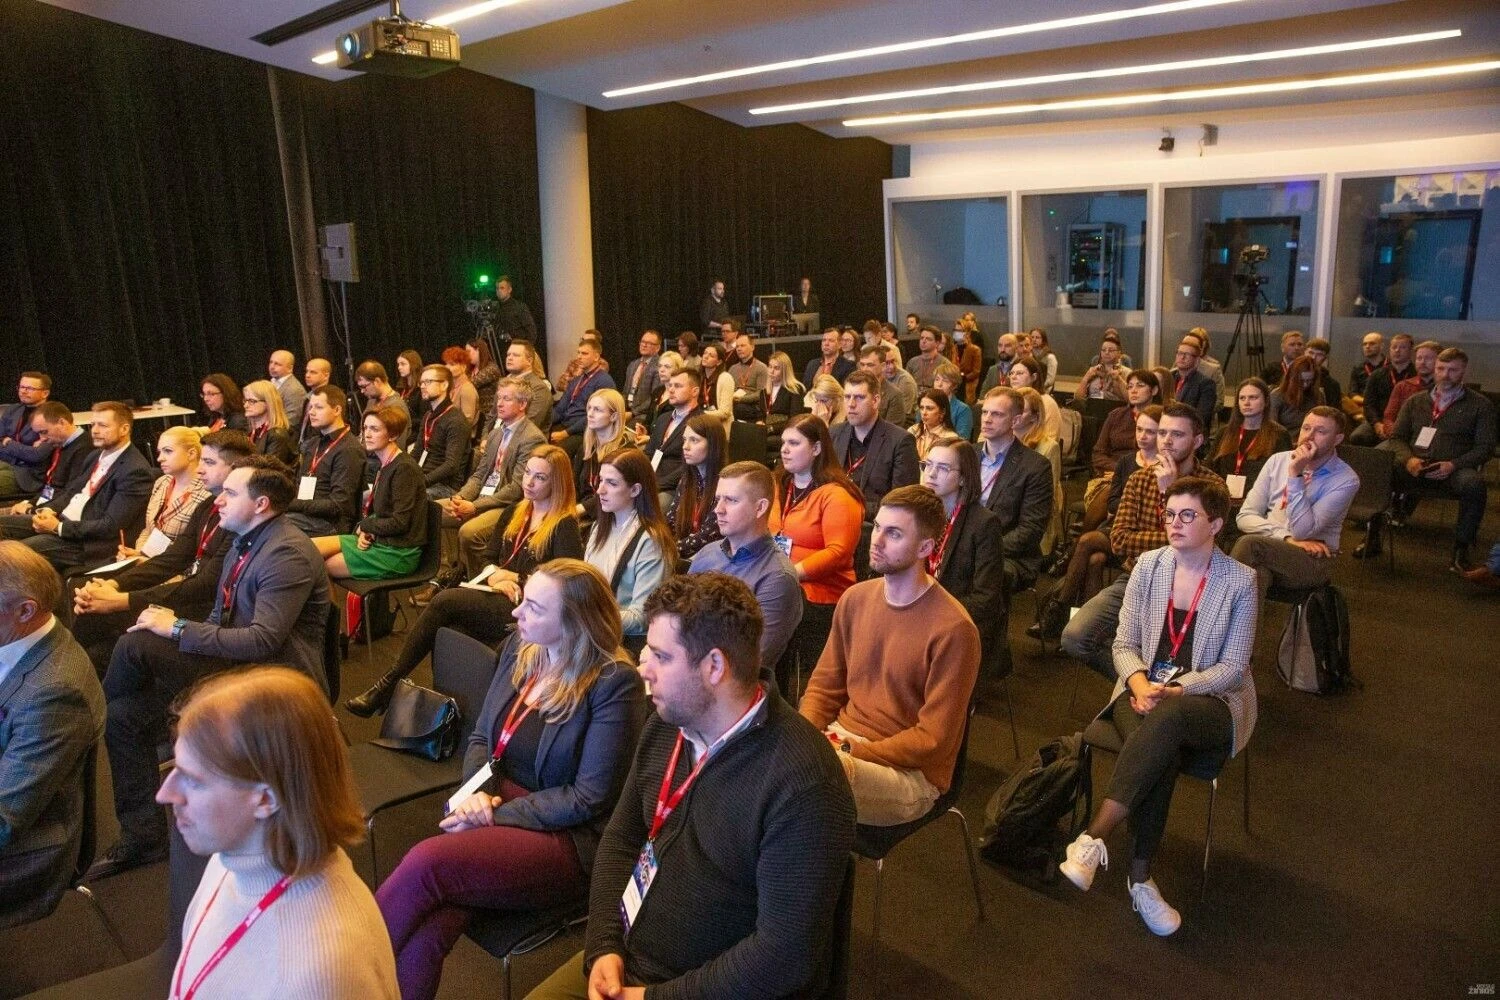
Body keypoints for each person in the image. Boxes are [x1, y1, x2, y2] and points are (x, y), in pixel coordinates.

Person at [526, 573, 854, 1000]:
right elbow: (622, 838)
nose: (643, 668)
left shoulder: (803, 784)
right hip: (628, 958)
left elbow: (782, 956)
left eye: (661, 656)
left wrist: (650, 997)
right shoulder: (667, 724)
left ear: (714, 666)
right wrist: (603, 945)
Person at [378, 560, 645, 1000]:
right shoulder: (522, 648)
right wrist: (479, 796)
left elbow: (588, 798)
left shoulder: (614, 683)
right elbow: (481, 737)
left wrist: (495, 814)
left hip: (564, 835)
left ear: (575, 622)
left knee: (426, 865)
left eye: (535, 607)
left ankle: (339, 976)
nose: (518, 611)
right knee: (432, 923)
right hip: (493, 806)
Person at [93, 455, 331, 878]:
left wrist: (177, 628)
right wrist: (175, 627)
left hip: (272, 677)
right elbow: (222, 618)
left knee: (135, 645)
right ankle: (143, 836)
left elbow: (262, 641)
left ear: (261, 504)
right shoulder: (245, 540)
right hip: (234, 664)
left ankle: (84, 733)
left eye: (230, 493)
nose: (217, 499)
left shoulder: (286, 552)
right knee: (123, 716)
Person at [1060, 477, 1256, 937]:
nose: (1174, 523)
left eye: (1188, 515)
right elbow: (1123, 644)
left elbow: (1233, 668)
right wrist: (1138, 681)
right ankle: (1141, 879)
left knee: (1168, 720)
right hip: (1141, 688)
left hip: (1209, 700)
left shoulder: (1240, 581)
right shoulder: (1149, 566)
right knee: (1160, 750)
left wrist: (1177, 689)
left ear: (1216, 524)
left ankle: (1094, 837)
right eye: (1169, 514)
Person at [159, 667, 399, 997]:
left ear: (266, 799)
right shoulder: (231, 859)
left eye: (194, 780)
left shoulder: (319, 977)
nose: (165, 794)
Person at [347, 447, 583, 716]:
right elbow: (488, 558)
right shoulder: (515, 512)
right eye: (528, 473)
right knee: (446, 626)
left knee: (444, 602)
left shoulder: (563, 526)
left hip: (528, 607)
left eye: (540, 477)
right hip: (496, 593)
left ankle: (388, 685)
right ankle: (443, 707)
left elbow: (566, 583)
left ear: (557, 483)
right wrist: (495, 576)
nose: (529, 482)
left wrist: (517, 578)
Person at [799, 484, 980, 825]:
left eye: (894, 534)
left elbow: (933, 741)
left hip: (910, 774)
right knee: (766, 755)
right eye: (878, 527)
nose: (877, 540)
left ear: (925, 547)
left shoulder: (955, 629)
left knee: (808, 782)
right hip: (839, 744)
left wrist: (851, 750)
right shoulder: (855, 599)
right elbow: (823, 687)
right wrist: (804, 738)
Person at [1060, 403, 1225, 679]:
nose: (1166, 441)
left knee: (1187, 656)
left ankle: (1161, 686)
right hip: (1138, 577)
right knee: (1075, 637)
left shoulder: (1212, 486)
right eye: (1162, 433)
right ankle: (1145, 682)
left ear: (1197, 441)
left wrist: (1169, 493)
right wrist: (1174, 539)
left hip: (1190, 586)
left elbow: (1201, 547)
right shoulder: (1139, 479)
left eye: (1177, 434)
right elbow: (1120, 541)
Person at [70, 430, 250, 678]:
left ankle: (74, 681)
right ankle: (72, 677)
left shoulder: (239, 517)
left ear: (237, 468)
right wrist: (114, 584)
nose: (199, 470)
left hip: (206, 610)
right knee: (90, 606)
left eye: (209, 462)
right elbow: (172, 558)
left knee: (105, 623)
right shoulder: (208, 505)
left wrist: (123, 600)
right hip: (188, 593)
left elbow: (206, 585)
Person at [0, 541, 106, 929]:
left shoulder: (56, 692)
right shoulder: (17, 640)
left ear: (25, 611)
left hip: (24, 855)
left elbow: (4, 819)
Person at [1031, 406, 1163, 642]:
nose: (1142, 436)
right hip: (1117, 529)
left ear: (1162, 434)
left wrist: (1129, 505)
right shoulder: (1126, 462)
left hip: (1142, 539)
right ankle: (1084, 627)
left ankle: (1058, 609)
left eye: (1150, 432)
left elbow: (1135, 508)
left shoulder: (1165, 469)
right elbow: (1113, 502)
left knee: (1086, 541)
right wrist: (1131, 505)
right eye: (1139, 429)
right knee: (1095, 560)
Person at [1377, 347, 1496, 570]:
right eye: (1441, 368)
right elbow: (1397, 438)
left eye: (1453, 370)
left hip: (1454, 468)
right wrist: (1408, 460)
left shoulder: (1481, 405)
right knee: (1379, 468)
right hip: (1415, 464)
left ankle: (1461, 548)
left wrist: (1453, 464)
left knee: (1474, 485)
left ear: (1464, 372)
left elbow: (1485, 448)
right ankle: (1373, 536)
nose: (1445, 375)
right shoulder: (1415, 401)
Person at [0, 401, 155, 572]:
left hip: (85, 543)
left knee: (10, 554)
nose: (94, 430)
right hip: (63, 521)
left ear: (124, 429)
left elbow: (110, 526)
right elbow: (71, 492)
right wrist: (48, 510)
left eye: (102, 425)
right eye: (93, 424)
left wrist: (57, 527)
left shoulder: (135, 471)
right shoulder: (95, 456)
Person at [770, 414, 864, 684]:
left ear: (817, 448)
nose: (785, 449)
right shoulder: (779, 485)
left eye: (794, 443)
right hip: (780, 580)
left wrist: (790, 573)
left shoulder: (838, 495)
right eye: (783, 442)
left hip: (820, 591)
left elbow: (838, 553)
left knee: (778, 603)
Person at [1231, 407, 1359, 604]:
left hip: (1313, 559)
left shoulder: (1346, 479)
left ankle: (1209, 617)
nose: (1309, 436)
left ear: (1337, 439)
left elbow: (1302, 531)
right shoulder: (1277, 461)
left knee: (1249, 544)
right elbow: (1245, 516)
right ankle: (1233, 626)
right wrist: (1286, 537)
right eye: (1306, 428)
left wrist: (1295, 475)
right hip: (1271, 548)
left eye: (1320, 431)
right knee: (1257, 576)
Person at [689, 463, 803, 678]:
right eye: (718, 499)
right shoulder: (707, 554)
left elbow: (750, 662)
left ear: (760, 508)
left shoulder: (778, 577)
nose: (718, 509)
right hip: (690, 669)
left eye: (731, 500)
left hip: (727, 685)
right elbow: (680, 619)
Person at [920, 441, 1008, 676]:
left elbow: (985, 598)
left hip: (957, 620)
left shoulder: (983, 524)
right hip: (918, 611)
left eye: (943, 468)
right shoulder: (919, 514)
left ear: (962, 478)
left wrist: (931, 612)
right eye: (928, 465)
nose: (931, 474)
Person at [311, 407, 427, 585]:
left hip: (398, 551)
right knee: (310, 548)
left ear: (393, 435)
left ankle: (338, 607)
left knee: (325, 566)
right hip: (382, 539)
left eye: (375, 429)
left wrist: (366, 526)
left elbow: (400, 522)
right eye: (365, 428)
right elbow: (382, 513)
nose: (367, 434)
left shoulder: (404, 468)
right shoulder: (387, 464)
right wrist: (367, 530)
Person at [585, 449, 674, 647]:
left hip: (622, 644)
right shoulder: (599, 527)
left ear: (635, 490)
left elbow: (641, 617)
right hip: (593, 635)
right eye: (601, 480)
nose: (600, 490)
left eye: (612, 483)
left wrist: (588, 617)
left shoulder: (651, 541)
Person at [974, 387, 1054, 592]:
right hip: (966, 545)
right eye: (985, 412)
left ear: (1015, 420)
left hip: (1009, 554)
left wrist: (983, 549)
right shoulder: (967, 455)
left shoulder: (1035, 466)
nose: (987, 419)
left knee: (975, 574)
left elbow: (1030, 530)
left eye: (997, 414)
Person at [831, 370, 919, 524]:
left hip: (874, 526)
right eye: (847, 397)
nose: (851, 404)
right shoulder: (834, 433)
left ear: (876, 401)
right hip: (833, 520)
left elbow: (902, 503)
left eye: (859, 397)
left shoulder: (900, 441)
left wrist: (849, 508)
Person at [118, 426, 211, 561]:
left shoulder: (207, 494)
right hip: (150, 562)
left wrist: (147, 562)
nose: (160, 458)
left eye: (168, 451)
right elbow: (148, 530)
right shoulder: (162, 482)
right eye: (159, 452)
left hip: (177, 567)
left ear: (191, 454)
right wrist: (138, 554)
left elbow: (194, 552)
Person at [285, 385, 365, 538]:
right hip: (305, 515)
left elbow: (338, 505)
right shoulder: (312, 444)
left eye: (319, 407)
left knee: (272, 525)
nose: (311, 412)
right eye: (311, 407)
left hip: (331, 523)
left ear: (337, 410)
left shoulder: (349, 449)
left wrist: (293, 504)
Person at [1209, 378, 1290, 503]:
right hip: (1222, 500)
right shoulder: (1225, 432)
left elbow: (1283, 476)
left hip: (1259, 502)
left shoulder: (1279, 435)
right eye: (1242, 398)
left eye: (1253, 398)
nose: (1246, 403)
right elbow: (1210, 467)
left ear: (1266, 401)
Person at [4, 401, 93, 509]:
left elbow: (71, 493)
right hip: (45, 503)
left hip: (55, 512)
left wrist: (32, 509)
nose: (42, 439)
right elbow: (52, 487)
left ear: (62, 423)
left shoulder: (84, 448)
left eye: (44, 432)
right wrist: (29, 503)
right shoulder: (60, 445)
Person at [666, 414, 724, 562]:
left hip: (710, 559)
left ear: (713, 444)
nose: (685, 446)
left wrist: (668, 549)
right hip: (681, 553)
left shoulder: (725, 485)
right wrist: (660, 542)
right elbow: (670, 522)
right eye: (684, 439)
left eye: (694, 440)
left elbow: (707, 537)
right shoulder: (687, 480)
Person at [574, 388, 637, 527]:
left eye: (597, 410)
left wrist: (579, 509)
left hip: (611, 516)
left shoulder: (626, 453)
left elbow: (617, 496)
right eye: (589, 408)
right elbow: (574, 485)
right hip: (582, 512)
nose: (590, 414)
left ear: (613, 416)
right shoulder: (586, 448)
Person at [410, 365, 471, 499]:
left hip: (445, 486)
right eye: (421, 382)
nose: (422, 386)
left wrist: (421, 482)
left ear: (444, 385)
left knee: (407, 497)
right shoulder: (428, 416)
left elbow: (451, 466)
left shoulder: (456, 421)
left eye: (428, 382)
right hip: (424, 479)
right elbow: (417, 452)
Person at [642, 369, 703, 500]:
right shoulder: (663, 418)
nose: (671, 390)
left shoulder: (701, 423)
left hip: (675, 488)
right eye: (670, 385)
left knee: (657, 503)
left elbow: (689, 467)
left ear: (695, 391)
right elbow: (649, 452)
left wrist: (655, 485)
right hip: (651, 480)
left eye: (678, 386)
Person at [1091, 370, 1161, 479]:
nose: (1133, 391)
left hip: (1146, 475)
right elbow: (1098, 453)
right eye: (1130, 386)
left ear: (1154, 390)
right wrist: (1119, 470)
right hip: (1112, 471)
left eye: (1140, 385)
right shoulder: (1116, 415)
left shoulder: (1162, 418)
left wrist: (1127, 473)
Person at [552, 336, 617, 452]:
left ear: (596, 357)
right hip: (565, 424)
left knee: (555, 453)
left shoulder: (604, 381)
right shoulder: (577, 380)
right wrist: (544, 425)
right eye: (578, 353)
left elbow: (595, 416)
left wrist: (566, 433)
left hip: (585, 431)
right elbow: (560, 409)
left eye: (584, 353)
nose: (579, 357)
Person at [0, 372, 55, 501]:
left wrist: (9, 443)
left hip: (27, 474)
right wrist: (22, 448)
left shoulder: (51, 416)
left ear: (45, 393)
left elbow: (37, 455)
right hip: (5, 462)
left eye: (30, 388)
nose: (23, 391)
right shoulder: (12, 410)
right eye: (21, 387)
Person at [1354, 333, 1414, 444]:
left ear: (1411, 350)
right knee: (1358, 436)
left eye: (1402, 347)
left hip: (1406, 423)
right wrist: (1377, 424)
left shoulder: (1416, 375)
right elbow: (1369, 404)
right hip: (1379, 419)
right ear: (1389, 350)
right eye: (1394, 347)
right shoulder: (1377, 374)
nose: (1397, 350)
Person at [1381, 339, 1439, 432]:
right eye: (1419, 358)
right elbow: (1388, 418)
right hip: (1403, 435)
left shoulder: (1446, 389)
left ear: (1439, 362)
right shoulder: (1402, 386)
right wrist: (1397, 435)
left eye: (1428, 358)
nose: (1422, 362)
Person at [240, 379, 299, 468]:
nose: (246, 405)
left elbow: (270, 472)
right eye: (245, 400)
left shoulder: (277, 436)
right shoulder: (251, 432)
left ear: (268, 402)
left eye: (252, 401)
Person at [1167, 338, 1218, 436]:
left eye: (1187, 354)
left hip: (1190, 434)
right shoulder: (1169, 377)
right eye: (1179, 353)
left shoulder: (1206, 384)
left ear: (1197, 360)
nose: (1182, 357)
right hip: (1167, 429)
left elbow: (1202, 417)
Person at [356, 361, 410, 446]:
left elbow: (397, 445)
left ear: (377, 381)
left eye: (364, 386)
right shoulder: (371, 401)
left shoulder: (397, 406)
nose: (362, 391)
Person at [1007, 357, 1061, 441]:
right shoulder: (1007, 400)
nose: (1013, 377)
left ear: (1034, 377)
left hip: (1035, 447)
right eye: (1011, 373)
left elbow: (1050, 440)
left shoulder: (1047, 402)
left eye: (1019, 373)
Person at [1269, 355, 1325, 435]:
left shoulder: (1318, 395)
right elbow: (1271, 429)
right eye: (1301, 381)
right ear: (1292, 378)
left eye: (1309, 381)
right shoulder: (1277, 396)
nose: (1305, 385)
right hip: (1286, 439)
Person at [623, 330, 665, 429]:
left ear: (658, 348)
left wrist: (633, 413)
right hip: (627, 410)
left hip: (644, 414)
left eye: (649, 343)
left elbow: (654, 399)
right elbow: (625, 391)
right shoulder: (633, 364)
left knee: (626, 432)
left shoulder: (660, 367)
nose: (644, 345)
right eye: (642, 341)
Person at [1075, 335, 1131, 402]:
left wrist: (1119, 379)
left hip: (1115, 407)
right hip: (1093, 407)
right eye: (1103, 350)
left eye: (1111, 350)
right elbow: (1078, 398)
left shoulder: (1127, 372)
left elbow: (1131, 400)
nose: (1106, 352)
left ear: (1119, 353)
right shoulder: (1094, 371)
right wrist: (1086, 378)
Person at [728, 335, 769, 423]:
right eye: (737, 346)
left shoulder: (762, 367)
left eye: (742, 345)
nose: (739, 349)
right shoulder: (732, 368)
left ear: (752, 347)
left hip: (753, 406)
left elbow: (761, 394)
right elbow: (729, 390)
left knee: (738, 408)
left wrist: (742, 399)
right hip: (735, 403)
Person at [908, 388, 957, 461]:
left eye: (929, 408)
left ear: (943, 411)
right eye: (921, 408)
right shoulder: (913, 430)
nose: (924, 413)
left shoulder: (951, 438)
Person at [763, 350, 805, 433]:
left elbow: (795, 419)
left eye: (776, 368)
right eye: (770, 367)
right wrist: (760, 421)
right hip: (766, 430)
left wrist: (772, 428)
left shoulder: (795, 389)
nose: (771, 371)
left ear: (785, 370)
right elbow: (762, 414)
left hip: (785, 431)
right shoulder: (766, 389)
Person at [297, 358, 334, 445]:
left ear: (326, 376)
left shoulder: (331, 397)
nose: (307, 375)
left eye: (313, 372)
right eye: (307, 371)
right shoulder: (307, 398)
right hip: (304, 446)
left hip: (320, 445)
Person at [471, 338, 505, 429]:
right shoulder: (471, 370)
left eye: (468, 351)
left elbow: (472, 383)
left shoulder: (491, 369)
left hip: (490, 415)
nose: (466, 355)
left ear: (478, 350)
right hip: (478, 415)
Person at [442, 346, 480, 428]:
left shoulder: (466, 389)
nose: (447, 367)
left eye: (452, 364)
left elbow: (467, 420)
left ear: (463, 367)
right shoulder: (450, 387)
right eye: (446, 363)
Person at [696, 343, 735, 423]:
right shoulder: (699, 377)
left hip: (718, 424)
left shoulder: (725, 378)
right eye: (705, 353)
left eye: (711, 356)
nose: (706, 357)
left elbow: (725, 412)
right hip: (700, 422)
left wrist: (700, 414)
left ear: (719, 362)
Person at [883, 342, 919, 426]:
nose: (891, 366)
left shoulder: (905, 381)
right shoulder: (874, 378)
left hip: (904, 423)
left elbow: (900, 416)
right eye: (887, 363)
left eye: (893, 361)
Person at [494, 275, 539, 343]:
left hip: (517, 346)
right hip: (500, 347)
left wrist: (525, 347)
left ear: (509, 290)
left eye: (502, 288)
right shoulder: (496, 308)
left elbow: (532, 332)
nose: (499, 291)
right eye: (497, 288)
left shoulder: (519, 307)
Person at [933, 364, 972, 440]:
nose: (939, 384)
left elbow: (962, 440)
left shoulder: (963, 409)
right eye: (937, 379)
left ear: (954, 385)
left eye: (945, 381)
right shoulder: (925, 405)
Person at [267, 349, 306, 423]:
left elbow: (292, 420)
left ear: (290, 368)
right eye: (271, 362)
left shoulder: (294, 389)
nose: (272, 367)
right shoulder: (272, 382)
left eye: (277, 364)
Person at [1302, 338, 1343, 408]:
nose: (1313, 357)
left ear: (1325, 358)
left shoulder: (1332, 385)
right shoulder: (1293, 376)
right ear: (1304, 352)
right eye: (1311, 353)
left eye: (1319, 354)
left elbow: (1333, 410)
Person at [906, 325, 946, 394]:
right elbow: (907, 385)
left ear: (937, 343)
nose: (923, 341)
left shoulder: (944, 363)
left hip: (935, 398)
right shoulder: (912, 362)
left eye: (928, 339)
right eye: (922, 338)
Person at [951, 321, 984, 404]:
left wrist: (963, 377)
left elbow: (976, 371)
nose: (956, 333)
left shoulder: (975, 350)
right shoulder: (953, 348)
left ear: (968, 333)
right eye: (955, 330)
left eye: (960, 331)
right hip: (954, 384)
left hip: (968, 385)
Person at [1029, 328, 1058, 392]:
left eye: (1037, 337)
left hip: (1044, 390)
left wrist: (1038, 389)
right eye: (1032, 337)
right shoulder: (1029, 355)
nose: (1034, 340)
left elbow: (1050, 380)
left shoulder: (1050, 357)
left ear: (1043, 340)